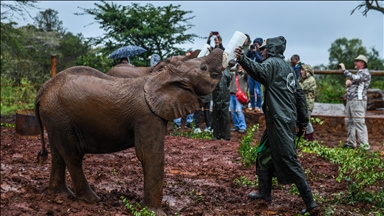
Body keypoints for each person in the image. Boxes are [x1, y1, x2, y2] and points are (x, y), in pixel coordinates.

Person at [234, 36, 318, 214]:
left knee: (289, 159)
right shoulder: (287, 68)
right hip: (282, 121)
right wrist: (302, 121)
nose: (262, 51)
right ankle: (265, 194)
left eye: (264, 49)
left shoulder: (271, 64)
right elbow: (300, 97)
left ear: (271, 50)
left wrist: (241, 58)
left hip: (280, 122)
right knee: (264, 153)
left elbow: (257, 71)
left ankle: (311, 204)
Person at [339, 55, 371, 150]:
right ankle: (351, 143)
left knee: (359, 122)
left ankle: (365, 147)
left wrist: (344, 69)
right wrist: (349, 84)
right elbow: (355, 82)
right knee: (348, 121)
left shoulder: (365, 73)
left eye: (357, 61)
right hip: (351, 100)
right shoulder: (360, 73)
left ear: (362, 63)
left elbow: (354, 77)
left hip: (358, 101)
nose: (355, 63)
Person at [207, 32, 231, 140]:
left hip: (224, 83)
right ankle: (217, 134)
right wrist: (209, 37)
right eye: (215, 40)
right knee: (216, 110)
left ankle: (225, 135)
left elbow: (232, 61)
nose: (216, 42)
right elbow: (207, 48)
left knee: (224, 111)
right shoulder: (212, 51)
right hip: (216, 82)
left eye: (218, 40)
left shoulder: (224, 51)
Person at [298, 64, 317, 141]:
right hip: (303, 103)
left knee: (307, 120)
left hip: (308, 103)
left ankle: (310, 137)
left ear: (307, 71)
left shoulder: (310, 80)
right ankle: (305, 135)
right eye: (301, 70)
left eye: (303, 70)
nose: (301, 72)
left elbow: (300, 87)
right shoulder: (302, 79)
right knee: (302, 119)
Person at [246, 38, 264, 113]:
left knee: (257, 90)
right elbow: (246, 57)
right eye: (255, 43)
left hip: (258, 74)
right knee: (251, 90)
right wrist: (249, 50)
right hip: (251, 74)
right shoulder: (252, 52)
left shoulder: (260, 52)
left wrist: (256, 52)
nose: (255, 45)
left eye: (257, 44)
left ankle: (259, 106)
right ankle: (253, 105)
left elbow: (260, 60)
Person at [229, 64, 248, 133]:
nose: (240, 67)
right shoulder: (234, 74)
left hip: (239, 95)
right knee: (233, 111)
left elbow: (248, 73)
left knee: (239, 110)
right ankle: (236, 125)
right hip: (232, 94)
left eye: (241, 65)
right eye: (239, 66)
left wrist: (244, 69)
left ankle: (242, 126)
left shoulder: (244, 75)